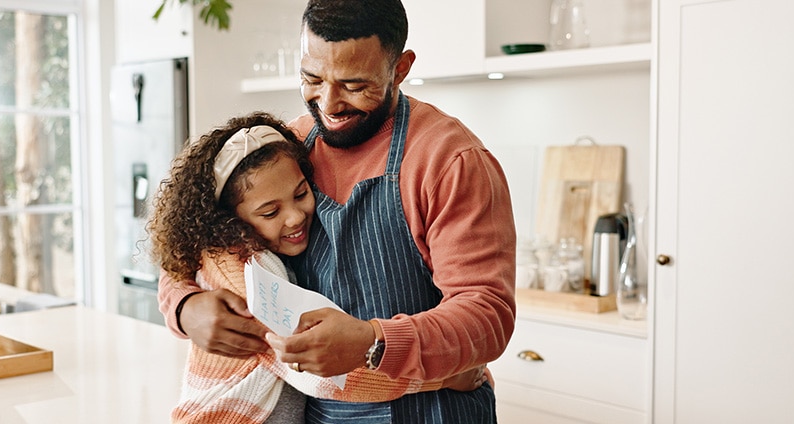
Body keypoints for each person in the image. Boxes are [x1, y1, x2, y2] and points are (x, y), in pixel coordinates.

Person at [158, 0, 517, 421]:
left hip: (430, 410)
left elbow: (487, 315)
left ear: (399, 68)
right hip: (320, 412)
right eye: (312, 77)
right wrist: (185, 307)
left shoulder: (450, 161)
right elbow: (193, 240)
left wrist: (372, 341)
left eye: (353, 85)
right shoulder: (289, 147)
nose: (329, 103)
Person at [148, 112, 487, 423]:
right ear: (227, 219)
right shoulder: (246, 274)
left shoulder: (280, 158)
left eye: (301, 194)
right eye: (270, 213)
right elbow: (320, 376)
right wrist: (442, 377)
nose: (295, 217)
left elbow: (484, 306)